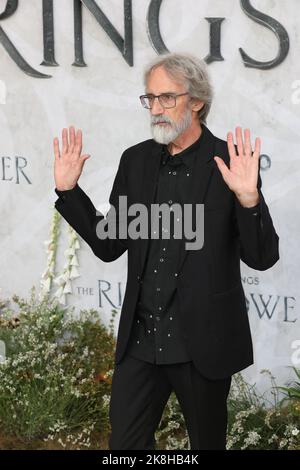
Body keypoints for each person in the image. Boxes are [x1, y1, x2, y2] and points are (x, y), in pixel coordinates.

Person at [53, 53, 279, 450]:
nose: (156, 109)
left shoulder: (230, 163)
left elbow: (262, 258)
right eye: (150, 99)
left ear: (196, 101)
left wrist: (248, 199)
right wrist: (70, 192)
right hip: (141, 342)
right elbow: (109, 244)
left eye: (167, 98)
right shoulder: (135, 160)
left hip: (203, 345)